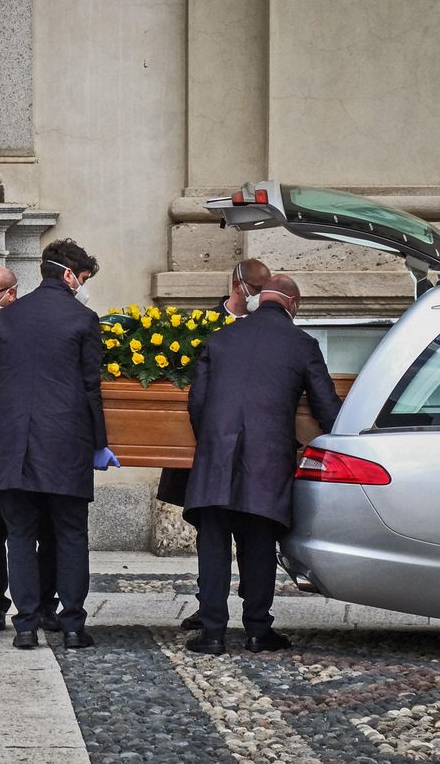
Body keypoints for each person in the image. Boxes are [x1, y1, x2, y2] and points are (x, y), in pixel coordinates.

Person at [182, 274, 342, 655]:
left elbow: (197, 403)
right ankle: (257, 630)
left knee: (214, 544)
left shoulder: (221, 338)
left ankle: (212, 633)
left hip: (215, 459)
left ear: (258, 299)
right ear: (293, 304)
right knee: (258, 544)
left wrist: (215, 443)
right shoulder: (302, 344)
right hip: (267, 460)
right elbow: (326, 408)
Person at [0, 239, 119, 650]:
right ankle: (73, 624)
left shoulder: (9, 318)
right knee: (71, 534)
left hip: (14, 445)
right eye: (82, 278)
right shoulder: (83, 319)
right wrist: (100, 442)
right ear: (68, 275)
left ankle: (25, 625)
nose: (82, 285)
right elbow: (89, 388)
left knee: (20, 535)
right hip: (65, 443)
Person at [158, 258, 272, 630]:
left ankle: (249, 612)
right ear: (236, 284)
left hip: (251, 450)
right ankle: (209, 607)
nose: (258, 297)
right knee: (211, 534)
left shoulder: (268, 326)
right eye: (254, 289)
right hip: (208, 448)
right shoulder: (200, 327)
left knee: (251, 533)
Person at [0, 267, 60, 633]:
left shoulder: (35, 329)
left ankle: (46, 604)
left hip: (39, 445)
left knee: (46, 529)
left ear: (12, 292)